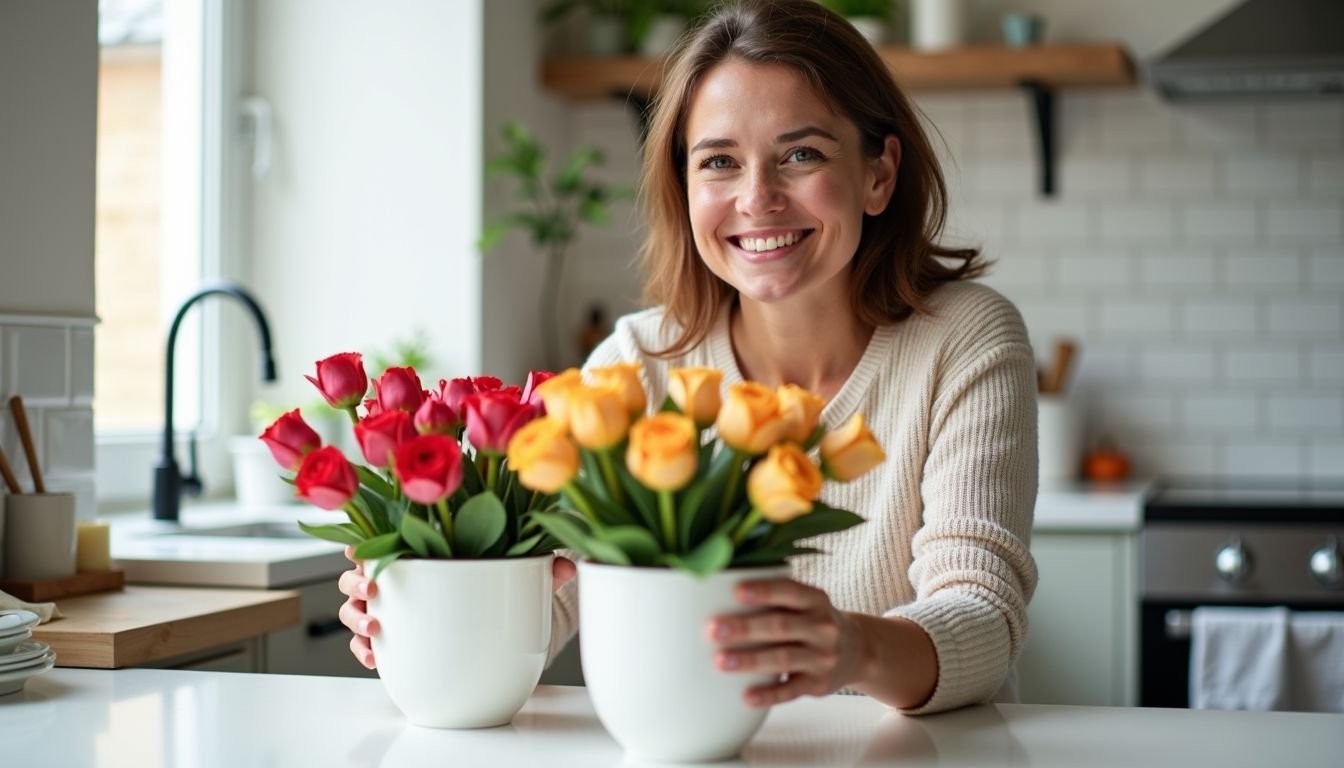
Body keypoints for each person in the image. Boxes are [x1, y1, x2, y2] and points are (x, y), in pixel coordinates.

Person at [338, 0, 1037, 715]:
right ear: (686, 186)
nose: (757, 197)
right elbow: (549, 604)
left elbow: (983, 611)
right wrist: (428, 603)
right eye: (720, 162)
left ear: (879, 174)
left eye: (802, 154)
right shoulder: (637, 363)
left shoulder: (965, 339)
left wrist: (854, 649)